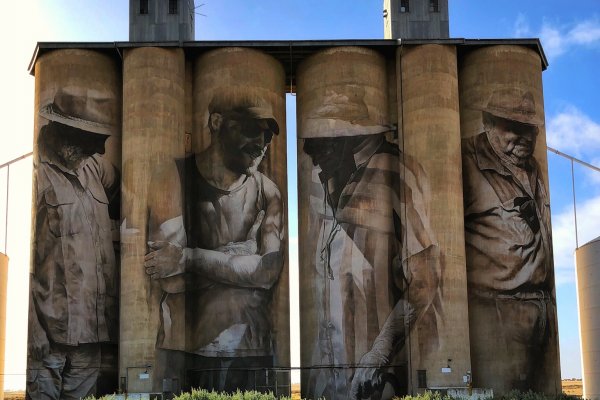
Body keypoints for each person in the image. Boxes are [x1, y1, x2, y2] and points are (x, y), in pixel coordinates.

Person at [300, 87, 442, 400]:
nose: (309, 150)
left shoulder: (397, 171)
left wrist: (380, 354)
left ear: (348, 137)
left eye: (320, 139)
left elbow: (426, 278)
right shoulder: (325, 179)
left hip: (380, 377)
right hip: (331, 375)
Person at [143, 90, 284, 393]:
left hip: (252, 353)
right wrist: (244, 252)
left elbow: (268, 271)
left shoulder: (268, 191)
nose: (260, 144)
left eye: (266, 136)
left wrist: (188, 257)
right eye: (250, 130)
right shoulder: (173, 177)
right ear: (217, 122)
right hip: (182, 350)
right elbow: (172, 281)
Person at [462, 88, 560, 393]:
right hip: (498, 314)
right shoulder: (464, 161)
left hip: (543, 309)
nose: (525, 137)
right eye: (513, 127)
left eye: (529, 129)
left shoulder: (533, 167)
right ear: (488, 122)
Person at [27, 87, 120, 400]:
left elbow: (131, 181)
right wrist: (33, 329)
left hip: (91, 334)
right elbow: (25, 257)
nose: (95, 149)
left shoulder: (92, 166)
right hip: (48, 336)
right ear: (62, 131)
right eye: (88, 140)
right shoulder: (37, 176)